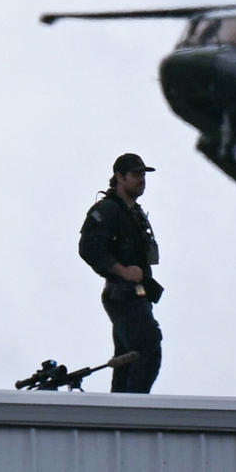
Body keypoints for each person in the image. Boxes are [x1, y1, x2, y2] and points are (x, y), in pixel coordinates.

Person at [79, 153, 164, 393]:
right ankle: (133, 407)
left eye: (143, 175)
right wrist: (122, 271)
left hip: (137, 294)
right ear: (120, 177)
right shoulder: (108, 209)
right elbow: (88, 247)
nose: (142, 180)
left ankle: (120, 406)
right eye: (136, 174)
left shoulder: (133, 213)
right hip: (123, 295)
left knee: (128, 358)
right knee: (147, 349)